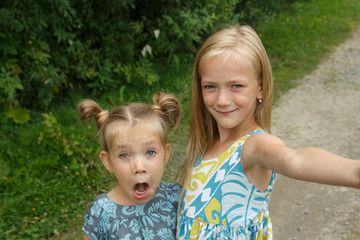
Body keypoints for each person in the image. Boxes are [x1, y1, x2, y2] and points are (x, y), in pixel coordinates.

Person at [177, 25, 360, 240]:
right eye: (210, 87)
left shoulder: (254, 146)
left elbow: (295, 160)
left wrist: (355, 171)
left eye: (236, 86)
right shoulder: (207, 143)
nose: (222, 100)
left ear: (260, 88)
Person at [78, 91, 181, 240]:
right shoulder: (101, 213)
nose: (139, 167)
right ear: (108, 161)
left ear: (165, 153)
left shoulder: (176, 198)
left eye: (150, 152)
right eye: (124, 155)